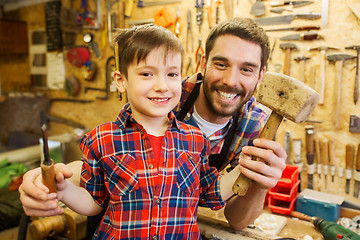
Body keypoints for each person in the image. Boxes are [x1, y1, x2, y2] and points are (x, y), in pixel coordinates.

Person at [19, 17, 286, 235]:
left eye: (247, 69)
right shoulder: (162, 99)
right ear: (203, 63)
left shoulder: (253, 128)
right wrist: (54, 183)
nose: (230, 80)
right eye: (221, 64)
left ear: (261, 75)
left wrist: (255, 173)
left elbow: (213, 194)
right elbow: (106, 165)